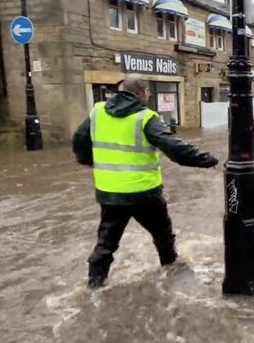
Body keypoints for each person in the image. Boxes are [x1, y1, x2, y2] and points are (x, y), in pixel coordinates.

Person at [72, 75, 219, 289]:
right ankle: (171, 276)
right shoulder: (145, 117)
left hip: (110, 193)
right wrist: (207, 160)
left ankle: (94, 286)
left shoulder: (98, 113)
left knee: (106, 243)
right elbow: (174, 148)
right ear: (143, 93)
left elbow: (78, 140)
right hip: (145, 194)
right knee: (163, 237)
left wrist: (87, 160)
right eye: (148, 92)